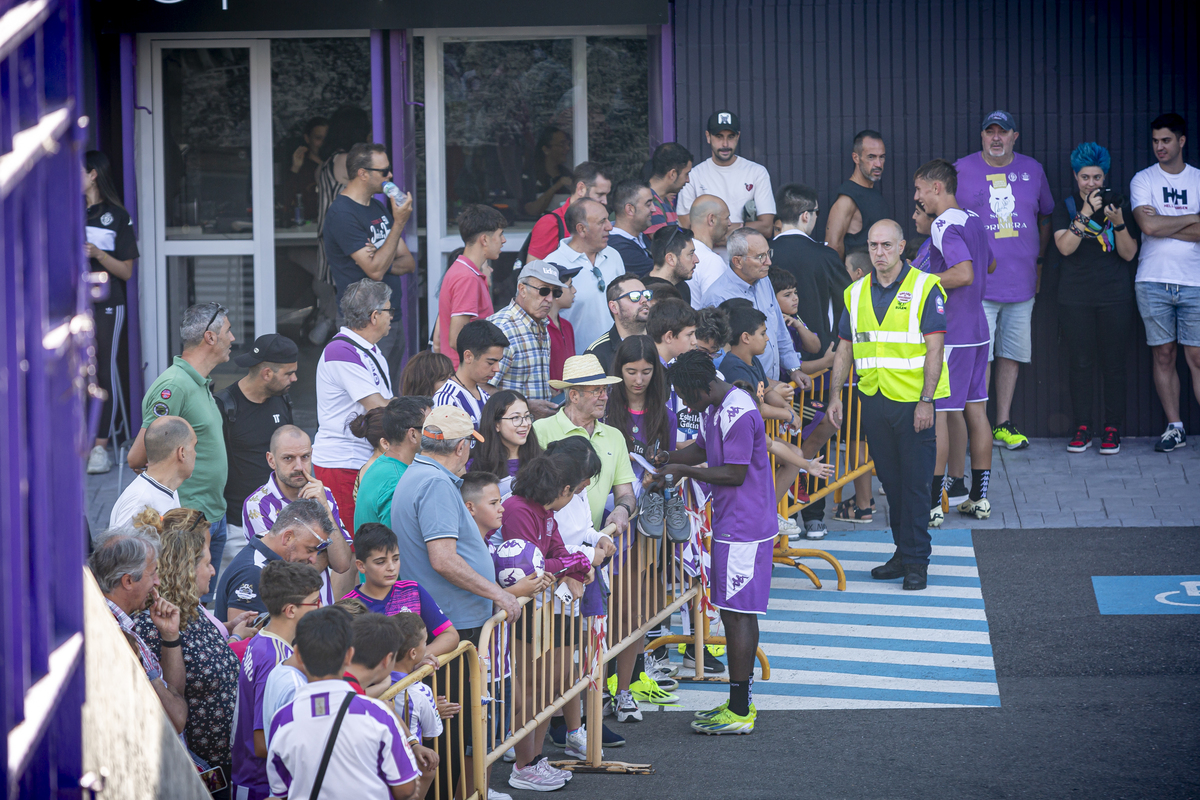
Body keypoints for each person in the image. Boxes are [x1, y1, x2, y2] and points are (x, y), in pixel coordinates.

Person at [655, 350, 778, 734]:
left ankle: (741, 710)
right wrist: (667, 458)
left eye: (686, 395)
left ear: (703, 387)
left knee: (738, 613)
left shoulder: (738, 413)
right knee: (729, 609)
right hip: (733, 523)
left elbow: (733, 473)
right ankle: (737, 702)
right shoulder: (715, 408)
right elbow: (705, 448)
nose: (686, 403)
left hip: (745, 527)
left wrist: (682, 470)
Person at [827, 220, 950, 592]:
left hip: (914, 402)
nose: (879, 252)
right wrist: (835, 394)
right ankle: (903, 552)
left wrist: (926, 401)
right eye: (873, 245)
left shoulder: (926, 287)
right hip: (874, 398)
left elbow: (935, 349)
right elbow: (845, 347)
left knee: (915, 484)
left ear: (900, 248)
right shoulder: (856, 292)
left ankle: (917, 562)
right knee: (893, 484)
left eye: (886, 245)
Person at [954, 110, 1055, 451]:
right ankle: (976, 425)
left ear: (1015, 136)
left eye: (1003, 132)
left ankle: (1002, 424)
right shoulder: (962, 169)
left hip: (1022, 284)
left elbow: (1045, 217)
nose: (996, 138)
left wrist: (1038, 262)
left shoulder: (1033, 169)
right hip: (977, 285)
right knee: (980, 355)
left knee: (1011, 354)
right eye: (989, 132)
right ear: (982, 136)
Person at [128, 301, 234, 603]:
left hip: (212, 515)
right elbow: (138, 457)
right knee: (184, 609)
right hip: (188, 522)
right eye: (228, 331)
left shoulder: (197, 382)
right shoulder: (174, 386)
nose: (233, 338)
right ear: (210, 338)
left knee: (199, 609)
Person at [502, 456, 594, 791]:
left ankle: (535, 759)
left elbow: (556, 555)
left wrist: (572, 564)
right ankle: (523, 764)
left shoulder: (544, 512)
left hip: (549, 608)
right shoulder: (517, 509)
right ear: (563, 489)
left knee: (548, 689)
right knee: (528, 692)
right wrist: (576, 561)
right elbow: (534, 566)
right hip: (527, 610)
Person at [132, 509, 246, 780]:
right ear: (187, 571)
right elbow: (172, 695)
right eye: (206, 563)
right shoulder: (155, 624)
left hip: (227, 761)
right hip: (196, 770)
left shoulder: (194, 612)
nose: (213, 570)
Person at [914, 159, 996, 524]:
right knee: (976, 411)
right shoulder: (973, 220)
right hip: (979, 331)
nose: (917, 197)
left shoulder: (944, 224)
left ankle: (932, 503)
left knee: (941, 415)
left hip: (954, 334)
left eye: (919, 190)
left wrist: (924, 283)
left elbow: (964, 273)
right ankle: (978, 499)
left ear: (936, 188)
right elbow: (988, 266)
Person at [266, 607, 421, 800]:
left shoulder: (282, 719)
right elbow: (406, 788)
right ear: (349, 655)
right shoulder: (377, 714)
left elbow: (280, 790)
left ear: (298, 654)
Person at [1052, 142, 1140, 455]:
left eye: (1097, 177)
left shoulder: (1117, 204)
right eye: (1085, 177)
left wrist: (1117, 221)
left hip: (1114, 295)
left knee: (1114, 364)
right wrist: (1086, 212)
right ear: (1076, 177)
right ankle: (1082, 427)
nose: (1092, 183)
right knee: (1080, 363)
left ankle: (1112, 429)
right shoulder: (1065, 205)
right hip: (1075, 296)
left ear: (1105, 177)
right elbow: (1064, 248)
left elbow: (1129, 254)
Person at [1131, 112, 1200, 453]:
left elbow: (1160, 224)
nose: (1159, 146)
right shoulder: (1143, 180)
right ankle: (1175, 427)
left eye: (1166, 140)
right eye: (1155, 141)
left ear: (1181, 141)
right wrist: (1192, 218)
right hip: (1152, 280)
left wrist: (1163, 221)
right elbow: (1149, 228)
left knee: (1197, 356)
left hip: (1194, 281)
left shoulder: (1198, 179)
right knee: (1163, 355)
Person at [231, 564, 331, 798]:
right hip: (262, 786)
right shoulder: (277, 659)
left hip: (249, 779)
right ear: (290, 610)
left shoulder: (262, 641)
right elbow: (263, 741)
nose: (322, 607)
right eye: (315, 602)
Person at [322, 142, 416, 383]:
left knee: (390, 390)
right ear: (363, 174)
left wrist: (381, 260)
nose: (390, 176)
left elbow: (408, 262)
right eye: (383, 171)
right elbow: (374, 270)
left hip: (389, 316)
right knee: (371, 400)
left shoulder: (376, 207)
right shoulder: (342, 213)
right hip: (363, 322)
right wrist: (398, 224)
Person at [313, 278, 397, 526]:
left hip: (358, 459)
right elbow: (378, 406)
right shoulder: (342, 351)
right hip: (342, 462)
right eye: (389, 310)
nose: (392, 316)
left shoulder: (366, 349)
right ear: (374, 316)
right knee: (351, 545)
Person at [89, 524, 188, 733]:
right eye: (152, 573)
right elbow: (176, 720)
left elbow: (175, 693)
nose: (158, 582)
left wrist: (170, 636)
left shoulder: (120, 622)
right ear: (128, 581)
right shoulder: (115, 636)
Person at [242, 426, 355, 603]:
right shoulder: (257, 504)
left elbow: (342, 564)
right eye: (288, 458)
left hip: (322, 612)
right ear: (271, 460)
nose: (299, 467)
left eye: (305, 457)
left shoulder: (323, 494)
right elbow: (282, 575)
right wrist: (324, 553)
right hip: (285, 612)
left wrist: (324, 507)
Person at [700, 228, 813, 392]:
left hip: (773, 389)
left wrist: (794, 369)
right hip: (745, 393)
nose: (768, 262)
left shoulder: (764, 281)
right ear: (738, 261)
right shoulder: (717, 297)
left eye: (768, 254)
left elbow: (779, 330)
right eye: (760, 257)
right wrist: (768, 385)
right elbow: (719, 357)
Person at [533, 355, 635, 535]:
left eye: (605, 390)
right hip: (547, 545)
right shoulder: (540, 430)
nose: (604, 397)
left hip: (590, 545)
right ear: (573, 396)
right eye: (596, 390)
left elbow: (626, 493)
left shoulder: (615, 436)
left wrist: (623, 509)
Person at [215, 333, 298, 549]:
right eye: (289, 373)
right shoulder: (225, 406)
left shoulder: (282, 400)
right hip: (238, 528)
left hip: (281, 521)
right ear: (267, 373)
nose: (295, 379)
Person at [83, 150, 139, 474]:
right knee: (77, 372)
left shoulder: (117, 215)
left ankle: (101, 448)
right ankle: (77, 441)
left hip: (107, 303)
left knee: (104, 370)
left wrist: (97, 253)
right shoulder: (67, 210)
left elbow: (127, 271)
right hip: (73, 303)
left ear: (92, 174)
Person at [341, 523, 460, 655]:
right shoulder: (348, 606)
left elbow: (450, 635)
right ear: (361, 566)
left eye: (396, 559)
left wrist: (419, 657)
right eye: (381, 562)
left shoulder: (412, 590)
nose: (391, 567)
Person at [216, 498, 334, 622]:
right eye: (310, 550)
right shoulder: (252, 573)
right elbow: (244, 638)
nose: (314, 560)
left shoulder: (264, 560)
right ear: (288, 537)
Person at [312, 106, 372, 345]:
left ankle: (327, 326)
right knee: (349, 306)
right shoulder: (347, 161)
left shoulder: (328, 161)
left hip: (328, 244)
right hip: (344, 244)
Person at [772, 183, 846, 365]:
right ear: (806, 215)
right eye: (816, 213)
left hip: (773, 357)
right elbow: (847, 300)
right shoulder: (825, 256)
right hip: (821, 358)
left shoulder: (763, 253)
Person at [677, 110, 776, 239]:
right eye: (719, 136)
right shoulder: (693, 175)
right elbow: (687, 227)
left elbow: (767, 228)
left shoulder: (757, 172)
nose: (725, 144)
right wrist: (742, 227)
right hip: (704, 258)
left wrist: (712, 234)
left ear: (738, 136)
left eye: (731, 137)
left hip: (747, 257)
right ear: (708, 137)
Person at [552, 198, 627, 352]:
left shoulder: (614, 255)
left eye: (608, 219)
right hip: (578, 365)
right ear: (581, 229)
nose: (609, 227)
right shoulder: (552, 266)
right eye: (602, 222)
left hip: (618, 359)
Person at [488, 261, 562, 414]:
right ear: (522, 289)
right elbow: (481, 388)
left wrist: (552, 396)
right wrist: (527, 406)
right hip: (507, 430)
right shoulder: (503, 328)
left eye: (555, 292)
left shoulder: (541, 325)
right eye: (543, 291)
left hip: (533, 431)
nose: (550, 299)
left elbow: (528, 382)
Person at [440, 205, 507, 365]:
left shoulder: (464, 272)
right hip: (465, 375)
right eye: (500, 234)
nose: (504, 240)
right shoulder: (466, 277)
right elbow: (457, 339)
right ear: (484, 240)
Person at [354, 397, 431, 530]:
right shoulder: (397, 481)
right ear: (413, 434)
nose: (437, 432)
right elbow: (397, 543)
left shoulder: (382, 463)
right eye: (430, 427)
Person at [108, 415, 194, 528]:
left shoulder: (169, 487)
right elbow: (117, 545)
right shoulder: (139, 503)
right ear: (181, 453)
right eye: (194, 446)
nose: (195, 453)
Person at [825, 130, 892, 259]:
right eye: (871, 157)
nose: (878, 164)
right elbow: (833, 246)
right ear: (856, 158)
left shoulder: (873, 194)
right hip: (857, 276)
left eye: (881, 157)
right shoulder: (847, 198)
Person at [526, 162, 612, 261]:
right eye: (600, 194)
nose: (605, 201)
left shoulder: (604, 221)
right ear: (581, 189)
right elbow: (533, 272)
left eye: (606, 195)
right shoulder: (551, 223)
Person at [434, 319, 508, 428]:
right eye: (490, 362)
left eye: (499, 361)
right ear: (468, 356)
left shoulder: (486, 397)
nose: (497, 369)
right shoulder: (447, 399)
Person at [469, 390, 544, 495]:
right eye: (515, 418)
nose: (525, 423)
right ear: (496, 424)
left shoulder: (541, 460)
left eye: (527, 416)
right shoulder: (475, 465)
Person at [584, 273, 652, 375]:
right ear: (614, 307)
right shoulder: (596, 355)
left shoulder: (661, 340)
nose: (644, 300)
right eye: (635, 296)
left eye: (646, 294)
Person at [684, 195, 733, 303]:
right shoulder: (711, 261)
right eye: (726, 218)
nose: (730, 223)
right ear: (711, 219)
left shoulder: (681, 253)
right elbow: (718, 309)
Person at [281, 116, 328, 222]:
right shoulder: (300, 166)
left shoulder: (336, 165)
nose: (323, 143)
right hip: (304, 230)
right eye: (318, 138)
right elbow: (284, 201)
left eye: (326, 139)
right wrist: (295, 168)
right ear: (307, 139)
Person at [522, 127, 575, 219]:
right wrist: (557, 186)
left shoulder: (567, 174)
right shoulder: (531, 176)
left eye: (568, 144)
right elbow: (532, 210)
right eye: (562, 144)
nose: (567, 148)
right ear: (546, 149)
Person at [607, 180, 656, 276]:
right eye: (648, 204)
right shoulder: (619, 247)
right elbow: (663, 273)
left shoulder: (640, 236)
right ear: (630, 209)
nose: (654, 209)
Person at [646, 143, 694, 235]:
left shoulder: (664, 201)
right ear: (672, 174)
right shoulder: (651, 207)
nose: (688, 180)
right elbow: (666, 247)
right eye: (686, 174)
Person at [646, 224, 699, 306]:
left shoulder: (683, 287)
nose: (696, 260)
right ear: (670, 259)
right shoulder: (646, 294)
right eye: (691, 254)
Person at [547, 262, 582, 382]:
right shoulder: (539, 327)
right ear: (555, 291)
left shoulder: (567, 326)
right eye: (570, 285)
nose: (574, 290)